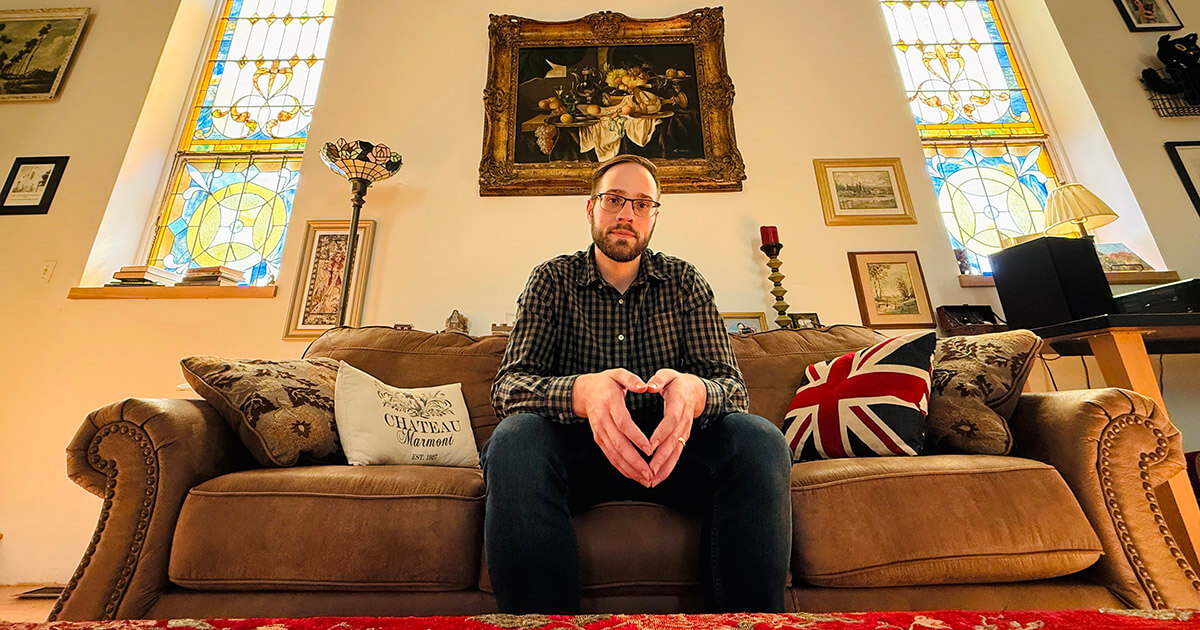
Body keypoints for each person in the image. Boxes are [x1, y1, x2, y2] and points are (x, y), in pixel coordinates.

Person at [483, 154, 792, 614]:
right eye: (614, 200)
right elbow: (509, 388)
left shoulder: (686, 282)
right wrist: (580, 392)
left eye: (642, 203)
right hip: (578, 461)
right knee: (513, 441)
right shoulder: (551, 280)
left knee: (761, 440)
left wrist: (694, 391)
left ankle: (748, 624)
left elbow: (734, 388)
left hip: (675, 458)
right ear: (591, 209)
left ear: (654, 216)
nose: (627, 213)